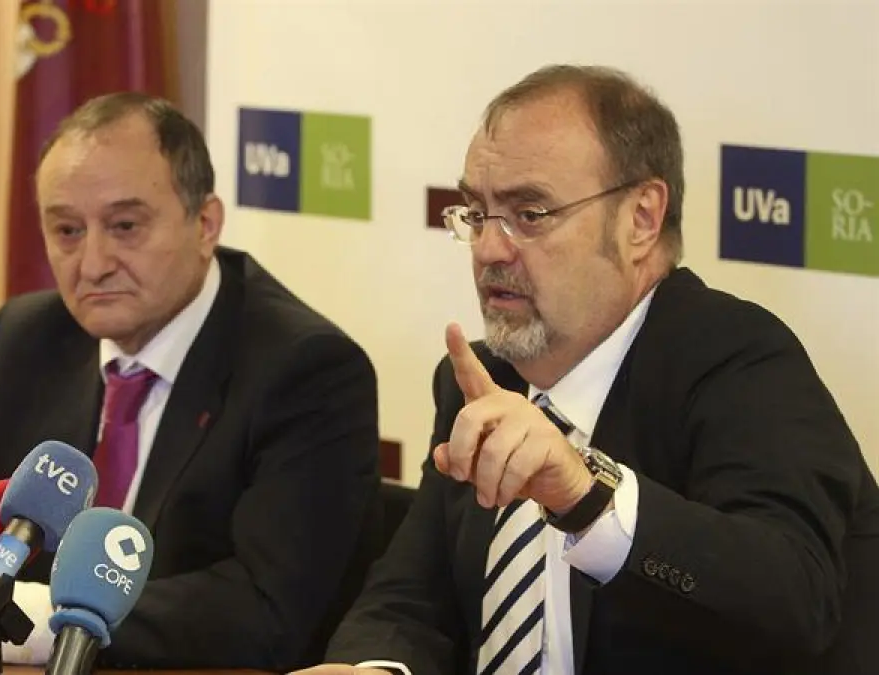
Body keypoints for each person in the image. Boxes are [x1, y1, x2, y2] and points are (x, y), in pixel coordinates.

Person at [299, 65, 879, 675]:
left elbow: (795, 600)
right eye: (476, 212)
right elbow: (411, 600)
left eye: (530, 213)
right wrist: (371, 669)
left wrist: (586, 496)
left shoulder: (739, 364)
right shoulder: (482, 379)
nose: (490, 248)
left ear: (640, 219)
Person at [0, 92, 383, 670]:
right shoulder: (29, 339)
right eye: (67, 230)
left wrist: (14, 615)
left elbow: (265, 609)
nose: (93, 264)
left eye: (125, 226)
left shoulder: (307, 371)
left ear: (205, 224)